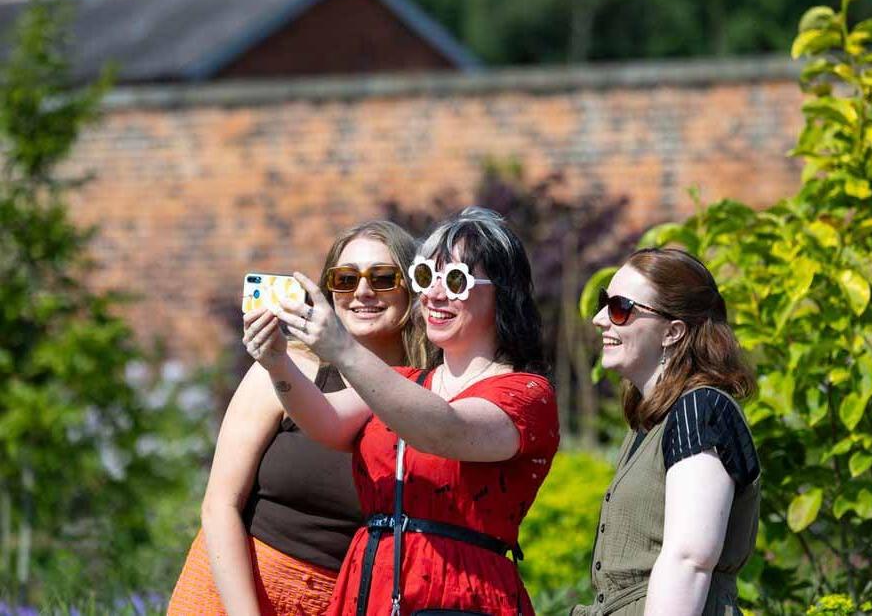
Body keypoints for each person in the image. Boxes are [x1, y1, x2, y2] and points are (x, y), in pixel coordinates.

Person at [242, 207, 559, 615]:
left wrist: (342, 348)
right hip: (373, 588)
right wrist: (277, 362)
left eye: (456, 281)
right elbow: (326, 423)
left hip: (461, 595)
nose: (435, 294)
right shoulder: (407, 381)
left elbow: (444, 430)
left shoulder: (527, 394)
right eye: (426, 277)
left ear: (503, 293)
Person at [168, 220, 428, 615]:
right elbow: (219, 505)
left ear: (411, 287)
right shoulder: (289, 369)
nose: (362, 291)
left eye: (382, 277)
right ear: (328, 292)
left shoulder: (427, 393)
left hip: (341, 602)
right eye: (345, 278)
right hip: (233, 593)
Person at [573, 247, 759, 616]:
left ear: (673, 331)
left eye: (620, 308)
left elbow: (689, 560)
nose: (599, 319)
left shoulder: (700, 410)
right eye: (602, 303)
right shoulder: (654, 420)